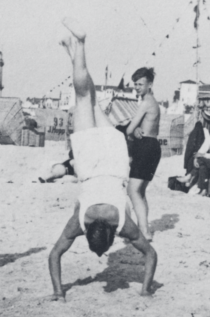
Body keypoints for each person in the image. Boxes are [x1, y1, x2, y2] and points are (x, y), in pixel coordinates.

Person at [48, 18, 157, 301]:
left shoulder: (120, 223)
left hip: (116, 157)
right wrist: (57, 291)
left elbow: (151, 255)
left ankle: (75, 51)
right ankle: (79, 45)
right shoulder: (81, 221)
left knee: (91, 99)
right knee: (85, 97)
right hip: (91, 162)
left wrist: (145, 289)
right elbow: (54, 255)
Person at [124, 67, 161, 240]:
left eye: (140, 84)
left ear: (150, 84)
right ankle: (143, 228)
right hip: (153, 146)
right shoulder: (153, 102)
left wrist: (133, 130)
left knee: (133, 190)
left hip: (145, 147)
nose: (137, 88)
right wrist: (137, 129)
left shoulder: (146, 103)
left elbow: (129, 129)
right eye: (135, 84)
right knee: (140, 191)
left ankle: (145, 231)